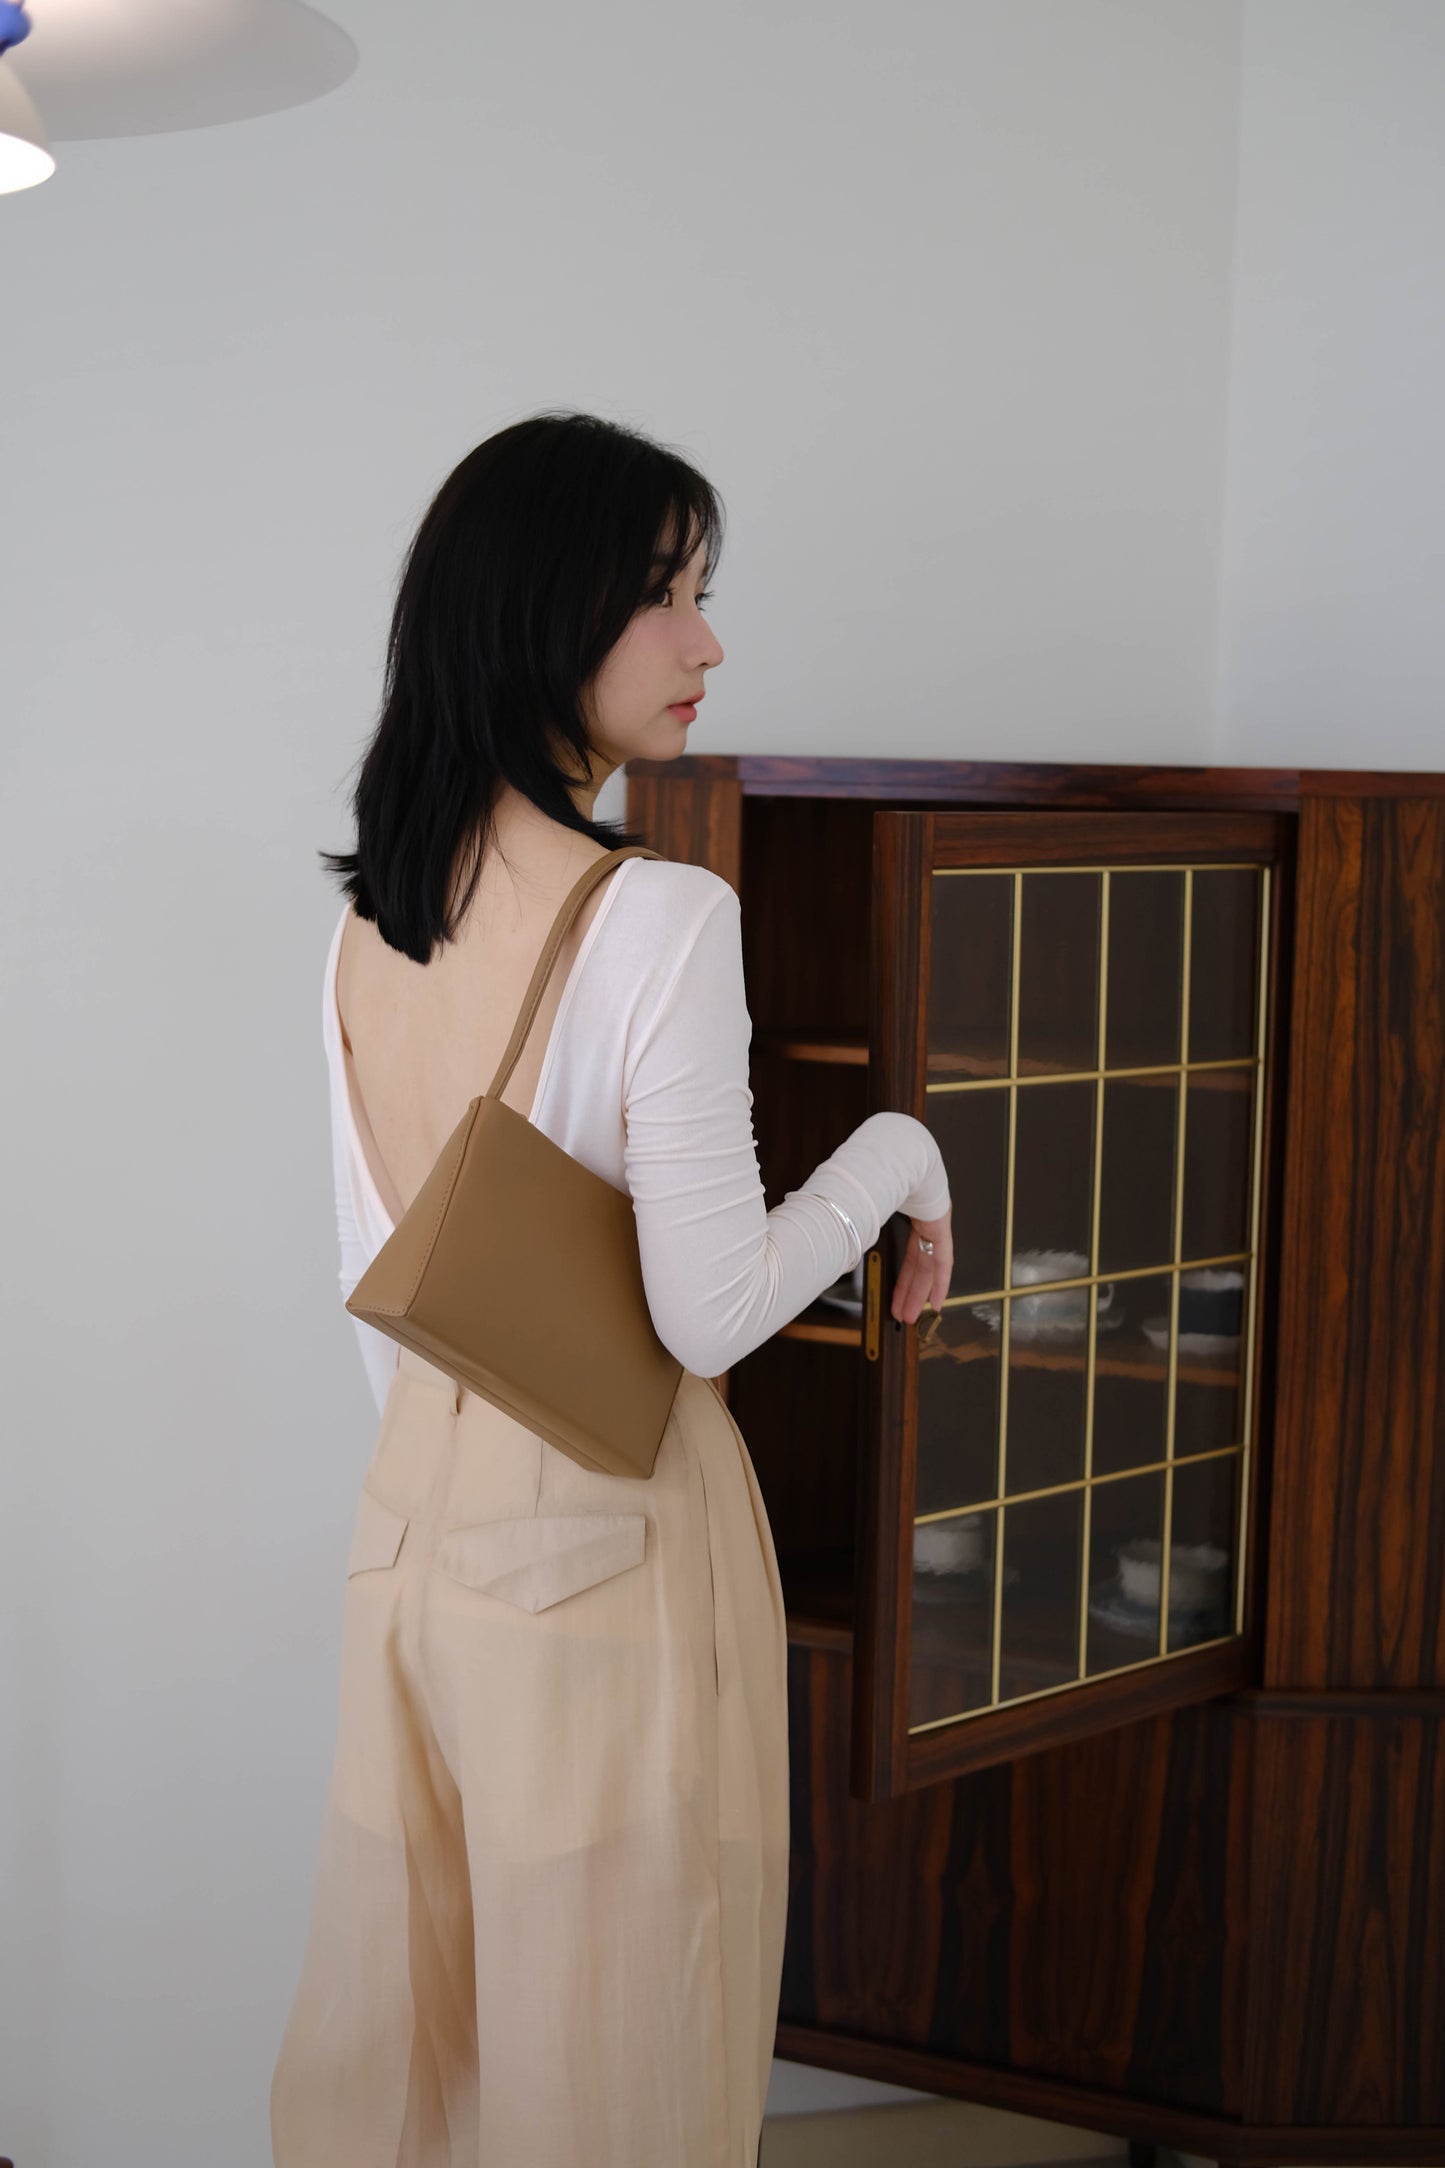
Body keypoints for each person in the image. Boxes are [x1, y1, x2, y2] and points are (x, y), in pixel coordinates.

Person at [269, 409, 954, 2168]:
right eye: (666, 593)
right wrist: (894, 1154)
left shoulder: (364, 927)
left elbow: (374, 1282)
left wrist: (468, 1495)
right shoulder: (656, 916)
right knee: (621, 2059)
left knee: (418, 2049)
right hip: (614, 1543)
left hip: (408, 1537)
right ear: (538, 609)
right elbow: (709, 1315)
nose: (704, 642)